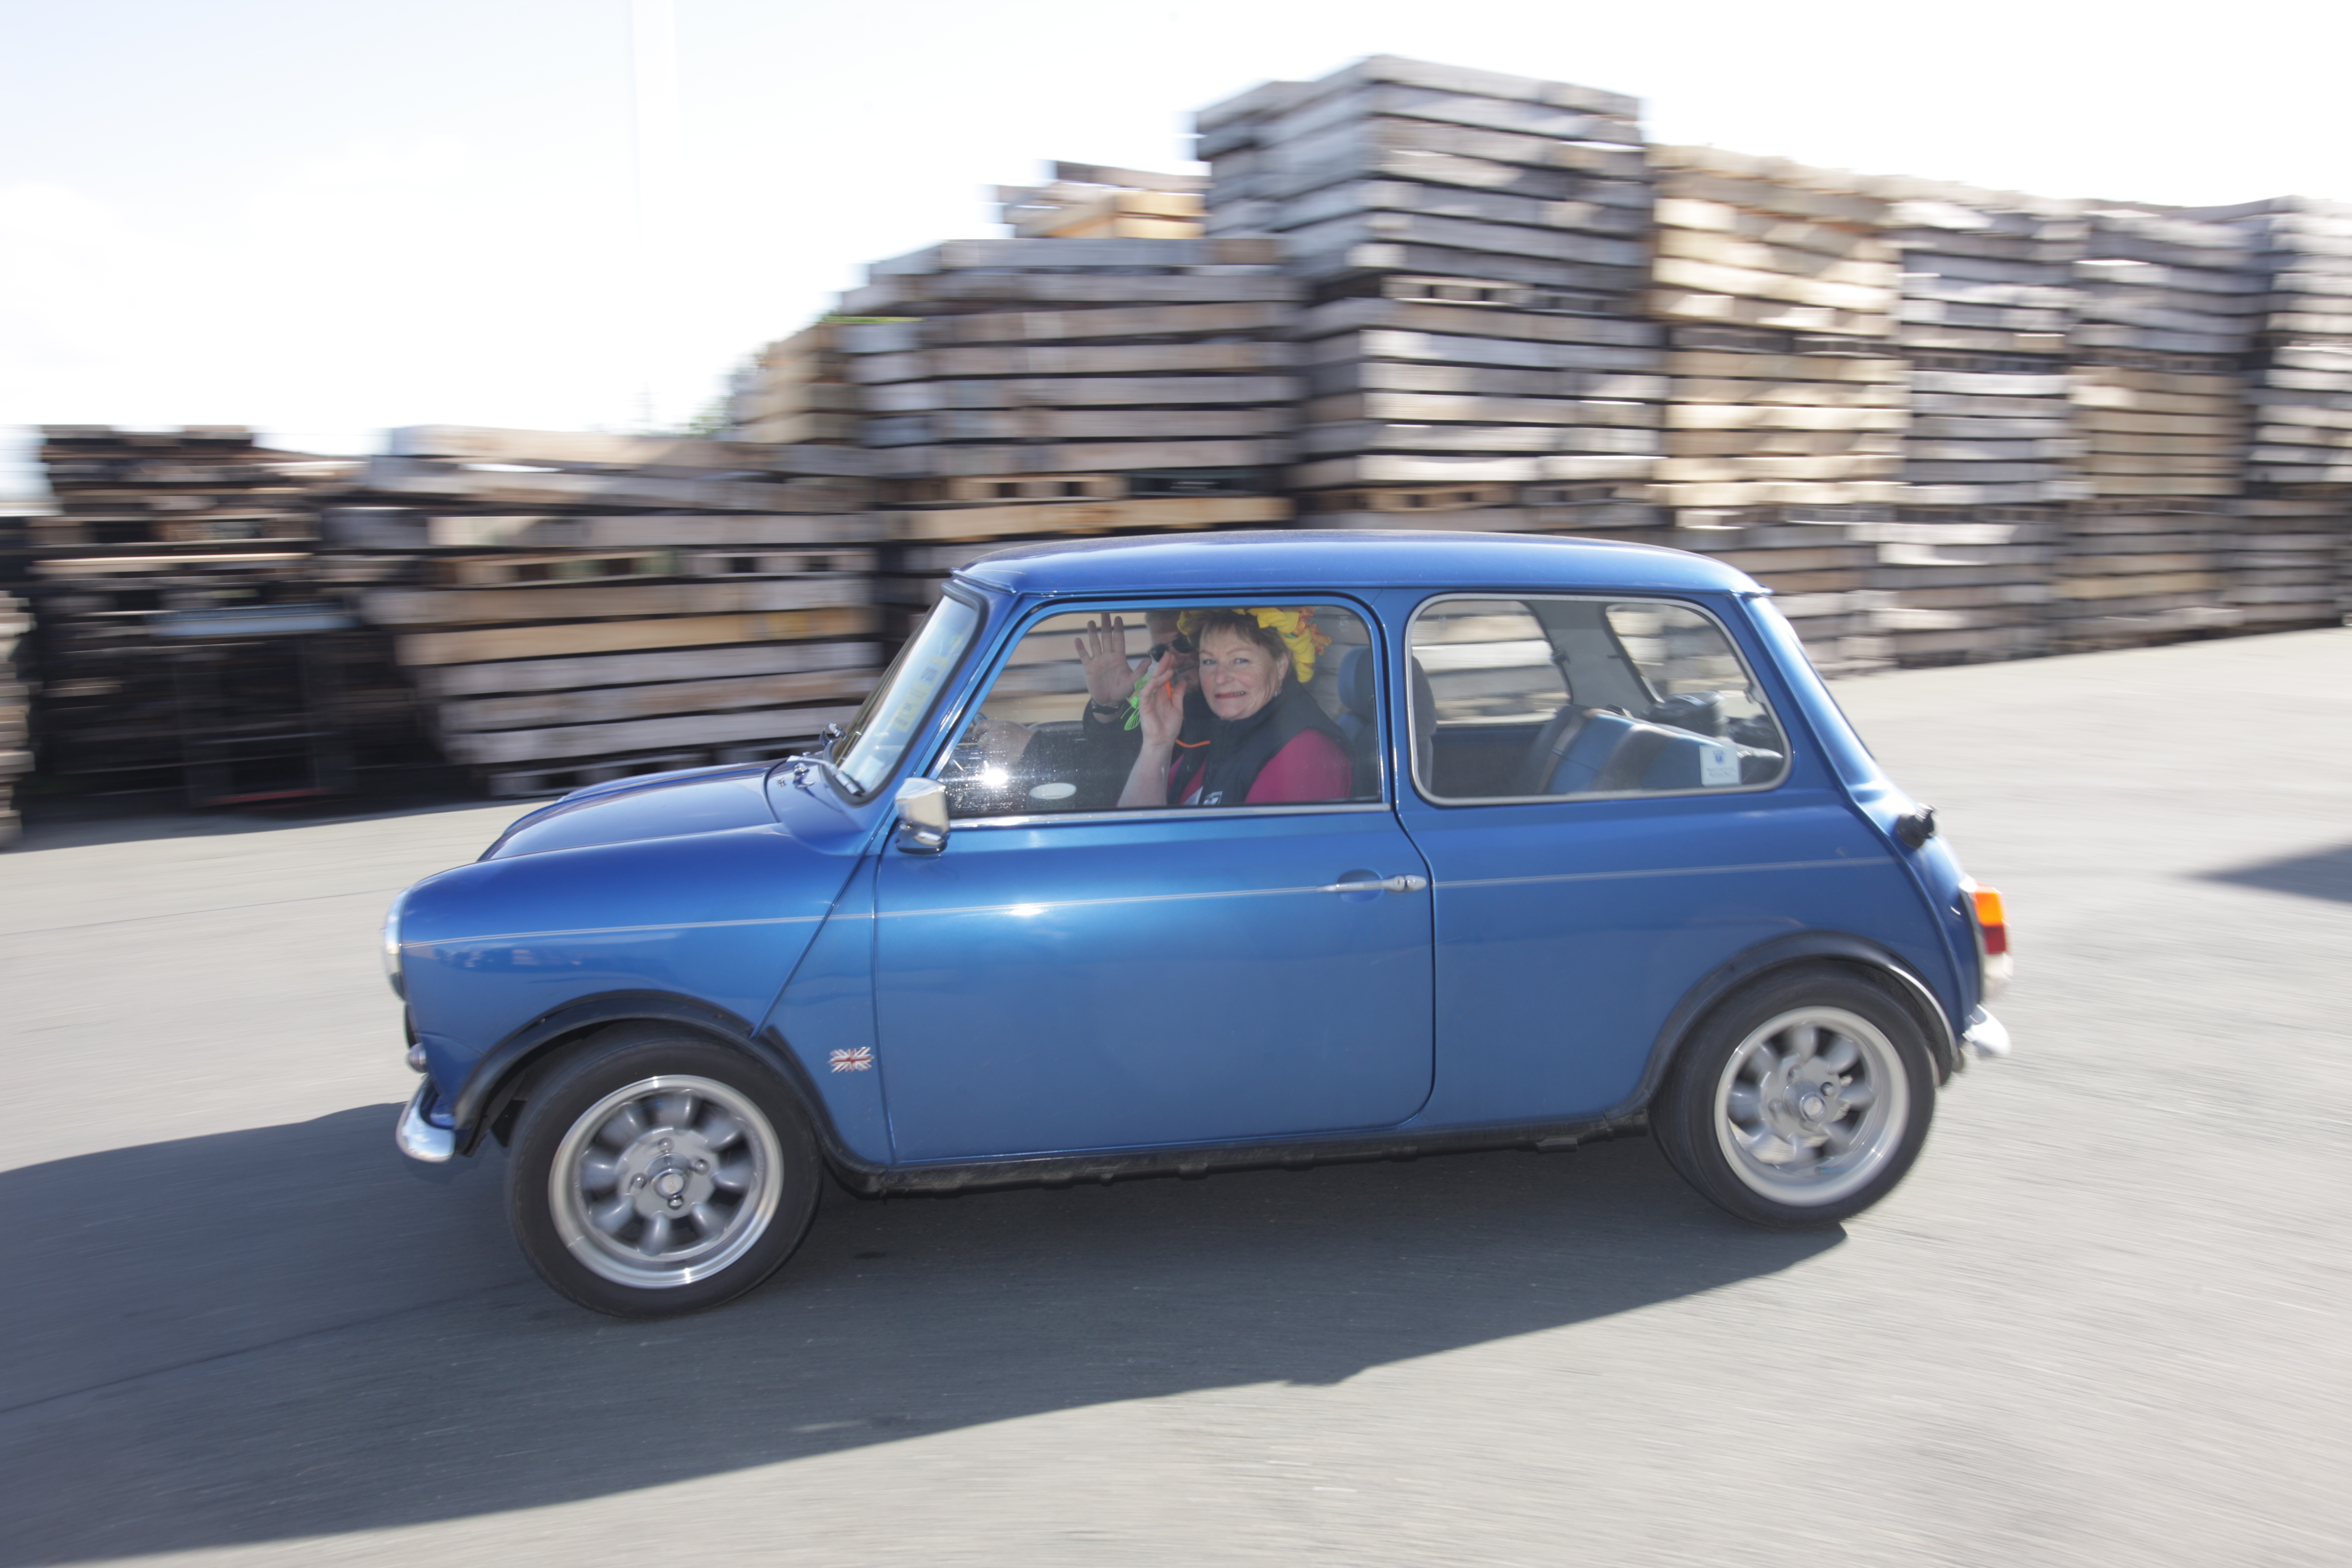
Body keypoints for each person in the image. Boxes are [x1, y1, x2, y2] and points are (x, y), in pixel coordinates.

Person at [1117, 607, 1351, 808]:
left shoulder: (1302, 753)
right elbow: (1134, 829)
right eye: (1210, 661)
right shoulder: (1224, 734)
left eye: (1240, 660)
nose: (1220, 678)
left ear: (1281, 664)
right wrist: (1157, 744)